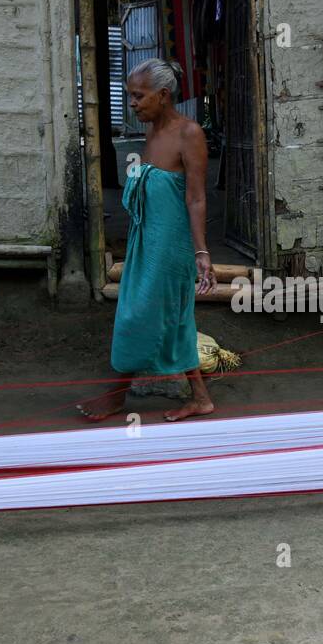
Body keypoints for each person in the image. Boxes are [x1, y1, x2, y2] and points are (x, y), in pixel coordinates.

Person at [77, 59, 218, 422]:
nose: (133, 104)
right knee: (173, 318)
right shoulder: (152, 132)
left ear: (164, 95)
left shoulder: (189, 133)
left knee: (141, 315)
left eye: (139, 96)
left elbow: (196, 197)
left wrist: (201, 251)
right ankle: (200, 398)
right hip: (146, 241)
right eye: (130, 96)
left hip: (170, 248)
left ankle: (116, 395)